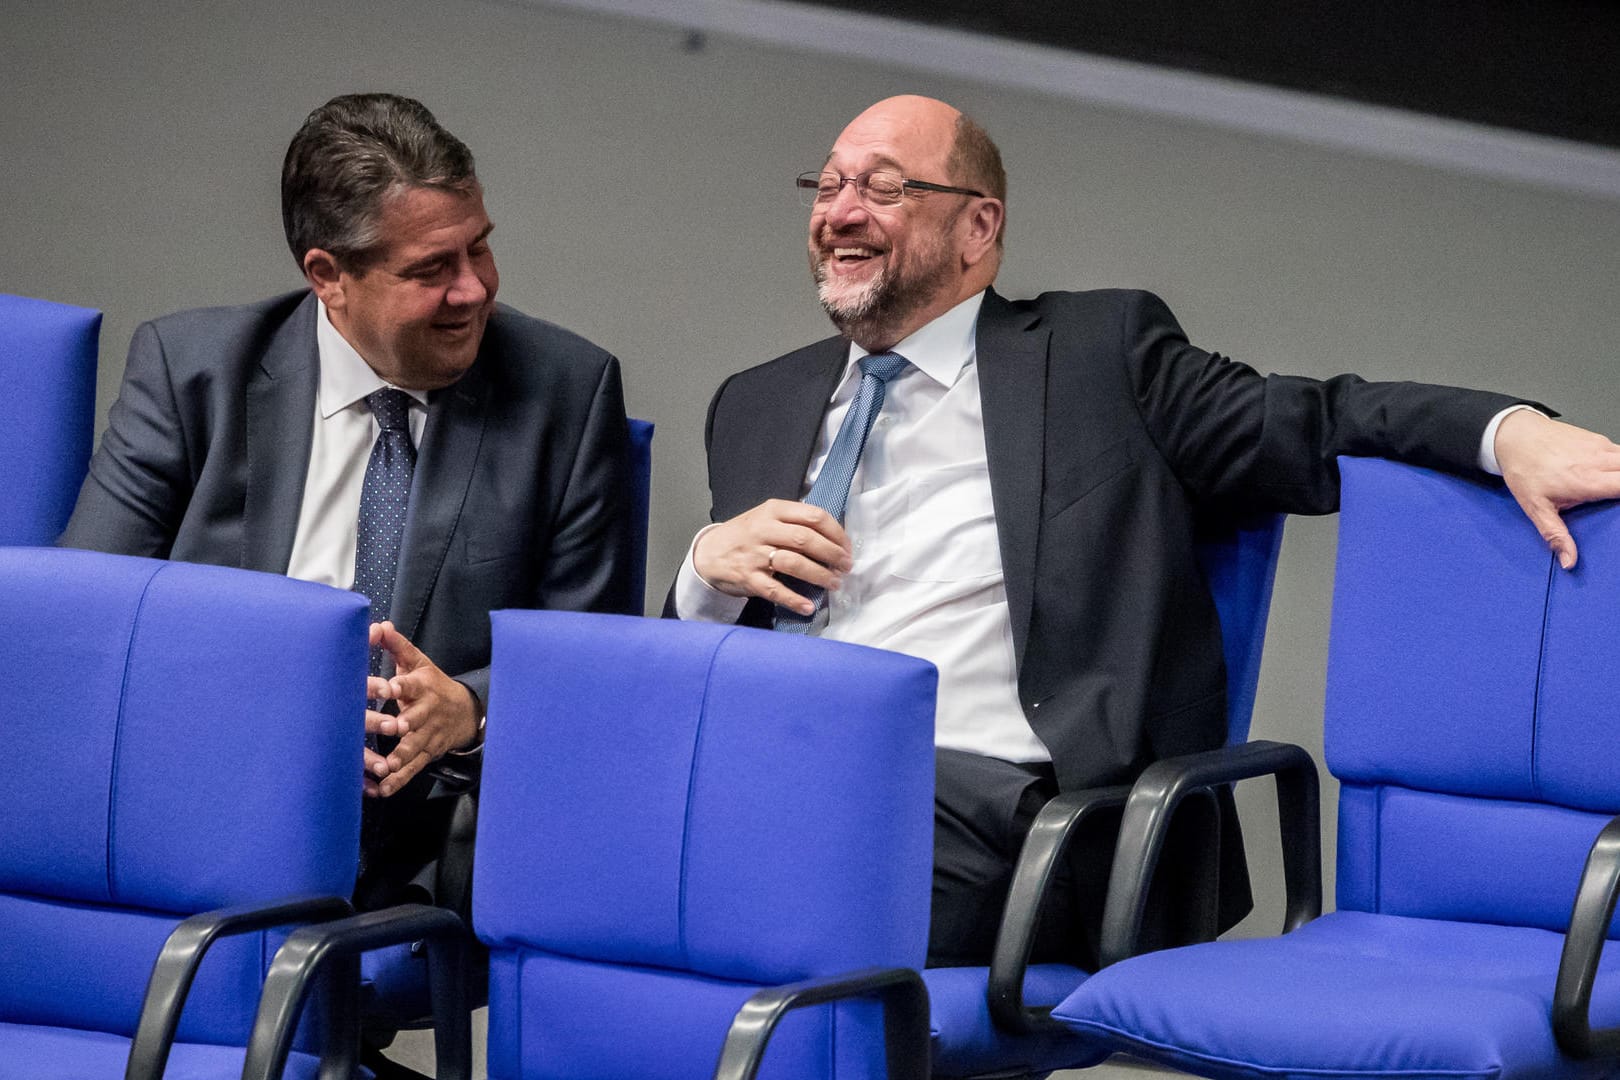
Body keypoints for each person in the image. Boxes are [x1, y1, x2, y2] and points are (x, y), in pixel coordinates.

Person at [671, 94, 1620, 969]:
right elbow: (691, 685)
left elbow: (1316, 424)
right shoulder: (757, 402)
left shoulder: (1100, 357)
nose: (840, 211)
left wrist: (1509, 434)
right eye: (829, 184)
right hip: (779, 777)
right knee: (594, 848)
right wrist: (702, 575)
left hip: (1017, 815)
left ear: (978, 226)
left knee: (762, 904)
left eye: (884, 187)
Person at [62, 91, 632, 955]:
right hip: (191, 801)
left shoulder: (565, 391)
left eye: (480, 246)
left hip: (410, 842)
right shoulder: (194, 375)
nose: (472, 288)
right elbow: (85, 622)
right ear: (328, 275)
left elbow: (589, 657)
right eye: (431, 268)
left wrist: (470, 711)